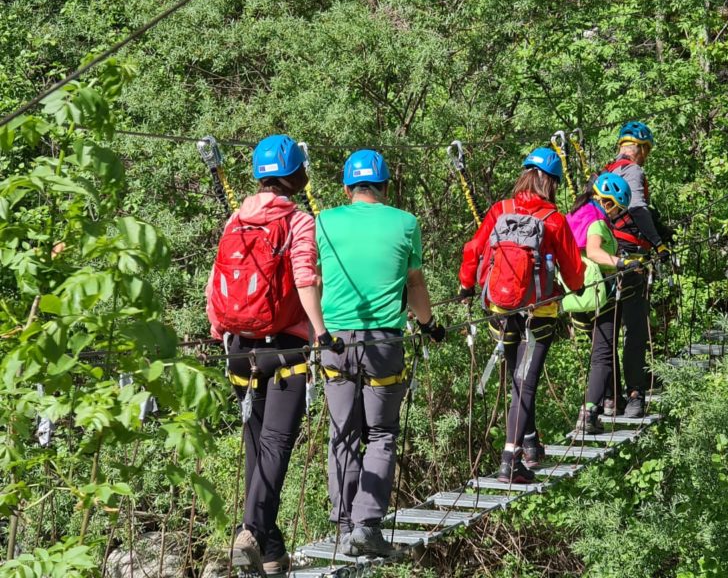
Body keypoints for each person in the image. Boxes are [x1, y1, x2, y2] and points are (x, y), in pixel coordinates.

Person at [206, 134, 344, 576]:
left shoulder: (236, 219)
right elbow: (305, 277)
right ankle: (251, 531)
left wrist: (219, 328)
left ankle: (269, 551)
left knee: (255, 444)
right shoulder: (299, 221)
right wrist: (320, 332)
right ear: (294, 176)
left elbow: (216, 277)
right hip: (286, 349)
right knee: (276, 446)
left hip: (238, 349)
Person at [316, 149, 445, 557]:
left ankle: (341, 527)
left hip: (334, 341)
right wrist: (429, 326)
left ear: (347, 188)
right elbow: (417, 286)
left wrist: (317, 331)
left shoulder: (324, 221)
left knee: (343, 433)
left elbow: (312, 280)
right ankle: (366, 525)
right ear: (385, 187)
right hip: (383, 342)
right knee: (381, 433)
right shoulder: (405, 223)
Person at [458, 148, 585, 484]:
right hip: (539, 311)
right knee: (526, 383)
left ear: (526, 174)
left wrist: (466, 285)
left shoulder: (502, 209)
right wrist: (579, 285)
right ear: (552, 182)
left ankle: (529, 443)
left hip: (501, 308)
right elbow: (574, 273)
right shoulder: (554, 219)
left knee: (516, 376)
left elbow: (473, 249)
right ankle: (510, 458)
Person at [603, 121, 670, 417]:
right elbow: (639, 209)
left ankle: (610, 397)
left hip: (604, 259)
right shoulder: (634, 171)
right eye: (646, 151)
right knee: (634, 329)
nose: (645, 158)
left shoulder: (602, 174)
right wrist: (658, 243)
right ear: (640, 148)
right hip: (631, 259)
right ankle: (634, 396)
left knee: (608, 330)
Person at [565, 173, 642, 433]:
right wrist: (622, 262)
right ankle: (588, 414)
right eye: (615, 208)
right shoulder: (597, 221)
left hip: (575, 296)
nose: (615, 215)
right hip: (601, 294)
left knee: (603, 351)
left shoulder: (574, 217)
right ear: (606, 202)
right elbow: (596, 252)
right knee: (603, 356)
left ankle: (611, 402)